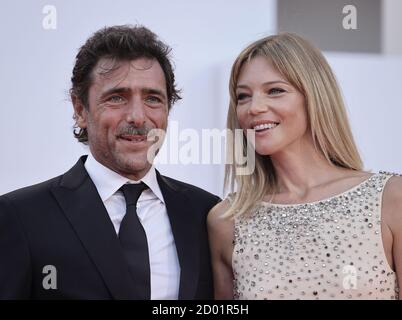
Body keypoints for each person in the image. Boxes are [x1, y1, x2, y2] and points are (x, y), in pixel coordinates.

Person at [0, 25, 220, 299]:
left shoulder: (206, 214)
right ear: (80, 109)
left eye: (153, 99)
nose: (138, 117)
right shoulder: (20, 217)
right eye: (117, 98)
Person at [208, 32, 402, 300]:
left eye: (275, 91)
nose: (254, 107)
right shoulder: (226, 221)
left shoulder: (391, 198)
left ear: (315, 96)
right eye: (243, 96)